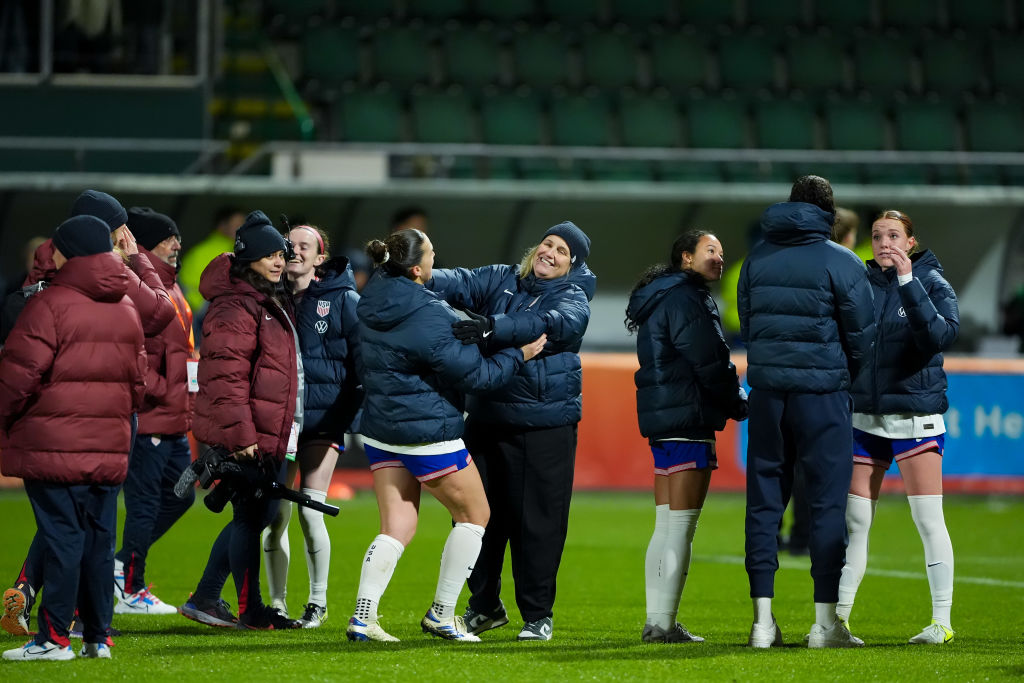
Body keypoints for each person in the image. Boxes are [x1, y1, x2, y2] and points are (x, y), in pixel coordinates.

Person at [345, 229, 546, 643]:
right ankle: (442, 613)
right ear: (418, 268)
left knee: (396, 526)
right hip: (426, 431)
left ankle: (362, 618)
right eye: (433, 253)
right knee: (476, 516)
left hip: (382, 430)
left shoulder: (373, 295)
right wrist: (518, 353)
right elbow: (476, 375)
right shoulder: (429, 312)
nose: (439, 258)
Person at [1, 189, 175, 638]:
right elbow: (158, 313)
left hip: (55, 415)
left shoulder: (49, 270)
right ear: (111, 229)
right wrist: (137, 260)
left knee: (63, 521)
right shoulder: (109, 275)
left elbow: (20, 362)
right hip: (107, 412)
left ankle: (37, 598)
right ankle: (82, 629)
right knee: (90, 528)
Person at [426, 221, 595, 642]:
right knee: (471, 518)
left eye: (561, 251)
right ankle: (484, 606)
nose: (550, 253)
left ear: (572, 264)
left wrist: (492, 327)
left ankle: (538, 615)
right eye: (547, 243)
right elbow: (461, 281)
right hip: (486, 419)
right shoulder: (504, 278)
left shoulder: (573, 298)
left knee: (538, 525)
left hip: (544, 427)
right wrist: (421, 272)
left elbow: (551, 324)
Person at [738, 175, 875, 649]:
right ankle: (824, 625)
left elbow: (750, 324)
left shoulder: (756, 258)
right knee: (826, 506)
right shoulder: (843, 261)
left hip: (769, 394)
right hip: (823, 395)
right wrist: (840, 376)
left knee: (763, 504)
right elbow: (862, 337)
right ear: (831, 214)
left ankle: (761, 623)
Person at [836, 210, 959, 645]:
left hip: (914, 416)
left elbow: (940, 337)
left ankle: (941, 622)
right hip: (866, 416)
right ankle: (839, 620)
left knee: (928, 520)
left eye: (893, 235)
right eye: (876, 236)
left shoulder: (932, 282)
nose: (884, 243)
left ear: (910, 242)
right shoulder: (861, 282)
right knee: (855, 523)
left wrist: (909, 284)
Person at [178, 211, 302, 630]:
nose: (277, 261)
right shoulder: (237, 305)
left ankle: (209, 597)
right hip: (250, 434)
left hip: (267, 431)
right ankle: (248, 609)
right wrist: (243, 435)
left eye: (279, 253)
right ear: (246, 259)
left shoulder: (263, 298)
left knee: (257, 516)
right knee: (252, 518)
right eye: (268, 255)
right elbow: (226, 377)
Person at [625, 230, 749, 644]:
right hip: (688, 419)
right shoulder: (689, 299)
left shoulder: (661, 296)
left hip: (664, 420)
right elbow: (710, 359)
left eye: (721, 250)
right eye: (709, 250)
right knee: (680, 528)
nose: (718, 257)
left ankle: (656, 621)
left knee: (665, 526)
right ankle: (662, 623)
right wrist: (737, 402)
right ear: (685, 257)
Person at [261, 222, 362, 628]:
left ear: (321, 258)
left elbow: (362, 361)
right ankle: (277, 603)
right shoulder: (269, 298)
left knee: (311, 511)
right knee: (276, 515)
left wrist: (347, 415)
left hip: (322, 422)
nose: (295, 251)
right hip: (280, 422)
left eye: (305, 246)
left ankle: (317, 603)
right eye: (290, 246)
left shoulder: (343, 299)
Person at [112, 207, 195, 615]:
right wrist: (161, 391)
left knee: (181, 497)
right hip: (150, 417)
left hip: (175, 417)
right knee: (144, 504)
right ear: (144, 244)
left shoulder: (172, 288)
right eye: (168, 236)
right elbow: (130, 353)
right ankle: (131, 587)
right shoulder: (137, 289)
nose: (177, 243)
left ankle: (121, 562)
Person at [179, 206, 246, 316]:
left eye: (244, 224)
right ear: (222, 226)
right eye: (237, 224)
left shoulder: (198, 251)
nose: (242, 228)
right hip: (206, 315)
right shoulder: (204, 253)